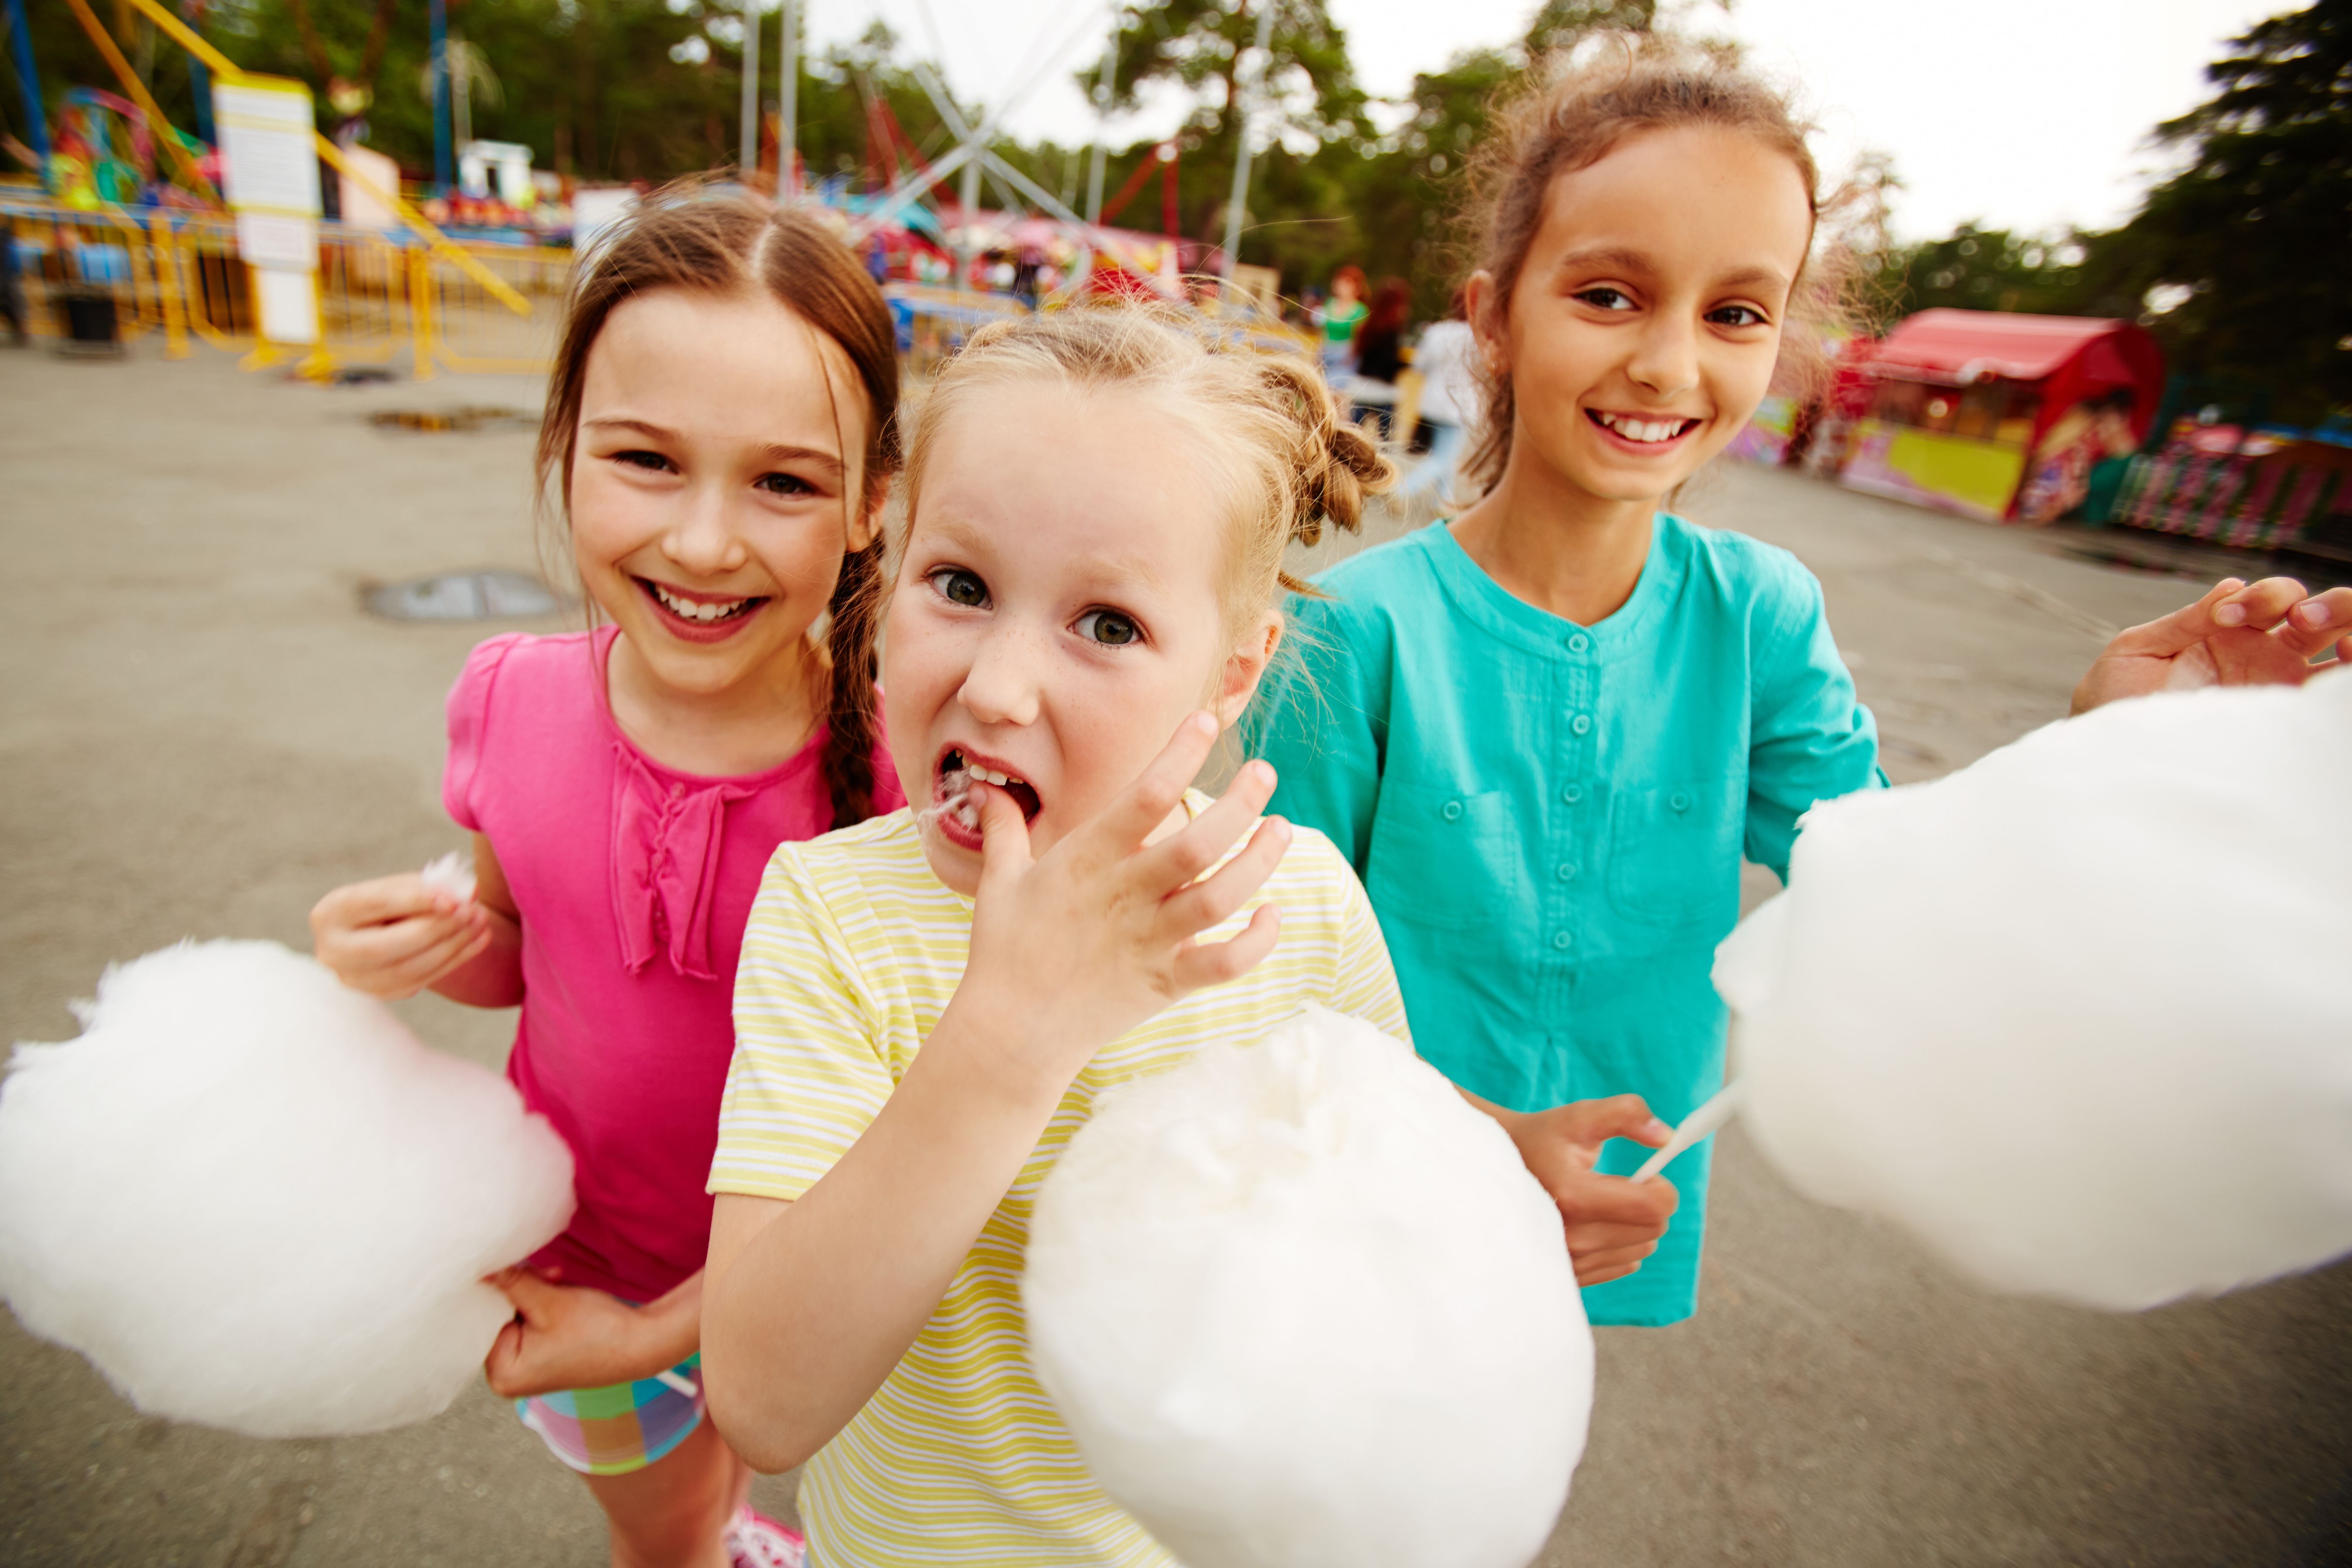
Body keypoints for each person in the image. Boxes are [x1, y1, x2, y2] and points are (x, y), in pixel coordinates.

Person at [1243, 36, 2352, 1331]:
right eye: (1608, 294)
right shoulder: (1353, 629)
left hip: (1607, 1220)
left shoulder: (1762, 616)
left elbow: (1879, 887)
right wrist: (1479, 1135)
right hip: (1361, 1196)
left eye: (1734, 313)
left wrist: (2103, 752)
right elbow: (1271, 976)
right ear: (1492, 315)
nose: (1668, 364)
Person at [699, 307, 1681, 1566]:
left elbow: (1356, 1129)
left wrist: (1497, 1150)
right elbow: (764, 1400)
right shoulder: (834, 916)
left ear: (1232, 672)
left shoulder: (1294, 901)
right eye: (960, 585)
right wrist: (1008, 1035)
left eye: (1107, 625)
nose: (996, 685)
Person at [309, 192, 908, 1568]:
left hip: (810, 1284)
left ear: (872, 503)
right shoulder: (506, 696)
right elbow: (517, 946)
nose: (702, 542)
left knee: (801, 1484)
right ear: (565, 447)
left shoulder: (900, 779)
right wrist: (407, 944)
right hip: (580, 1270)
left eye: (783, 482)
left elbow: (916, 1131)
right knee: (670, 1538)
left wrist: (668, 1328)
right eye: (646, 459)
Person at [1401, 292, 1478, 510]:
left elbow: (1419, 365)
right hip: (1459, 407)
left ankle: (1442, 503)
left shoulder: (1438, 332)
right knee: (1443, 459)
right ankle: (1400, 491)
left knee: (1446, 456)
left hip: (1432, 402)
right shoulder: (1476, 337)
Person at [1345, 276, 1412, 439]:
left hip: (1362, 388)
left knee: (1352, 437)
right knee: (1385, 440)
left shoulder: (1367, 326)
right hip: (1383, 392)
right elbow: (1388, 364)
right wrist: (1409, 365)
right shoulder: (1391, 331)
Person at [1311, 263, 1367, 382]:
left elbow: (1359, 338)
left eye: (1347, 283)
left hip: (1345, 355)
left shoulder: (1360, 310)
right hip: (1326, 351)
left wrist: (1352, 358)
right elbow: (1323, 332)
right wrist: (1317, 353)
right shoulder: (1330, 304)